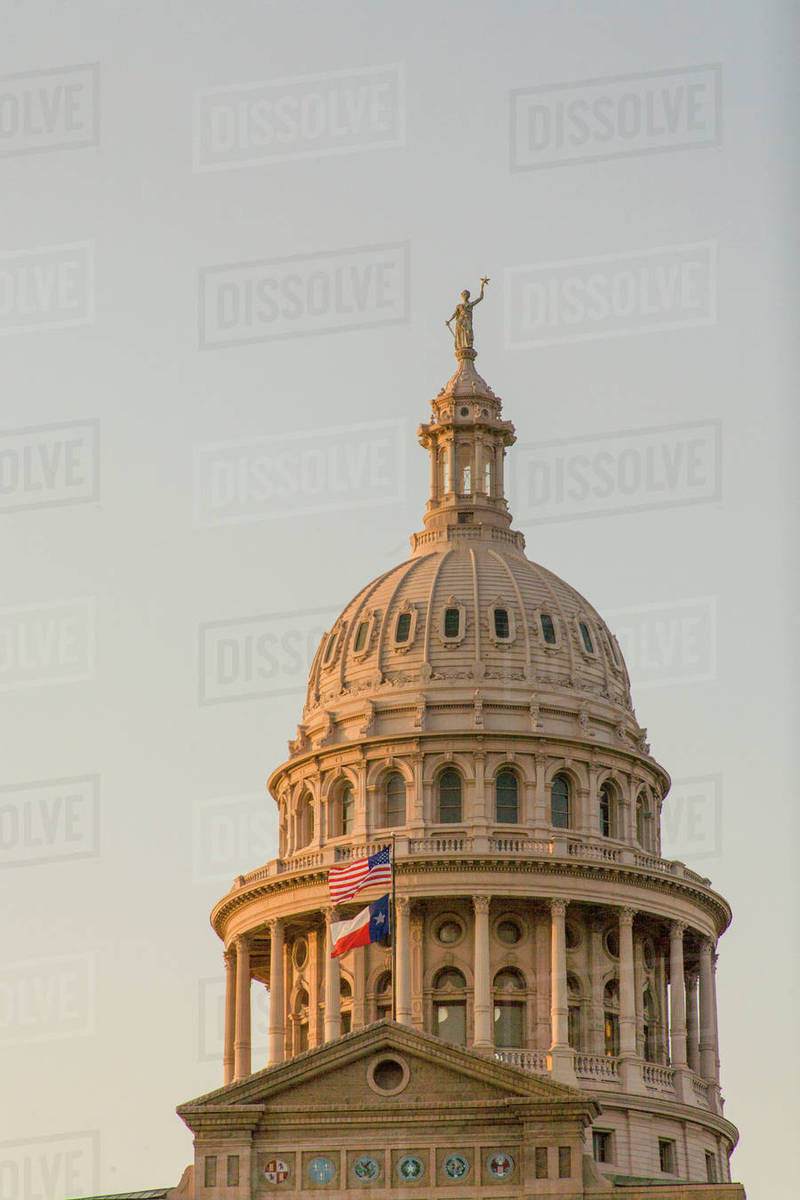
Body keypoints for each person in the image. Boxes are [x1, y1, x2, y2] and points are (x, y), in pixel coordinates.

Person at [446, 276, 489, 350]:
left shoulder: (470, 304)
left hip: (467, 321)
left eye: (466, 294)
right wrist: (449, 321)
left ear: (468, 296)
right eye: (463, 295)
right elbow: (455, 314)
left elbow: (480, 298)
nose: (465, 296)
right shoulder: (459, 306)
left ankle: (467, 345)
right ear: (462, 296)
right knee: (461, 334)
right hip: (460, 321)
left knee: (468, 332)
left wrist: (482, 287)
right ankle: (461, 346)